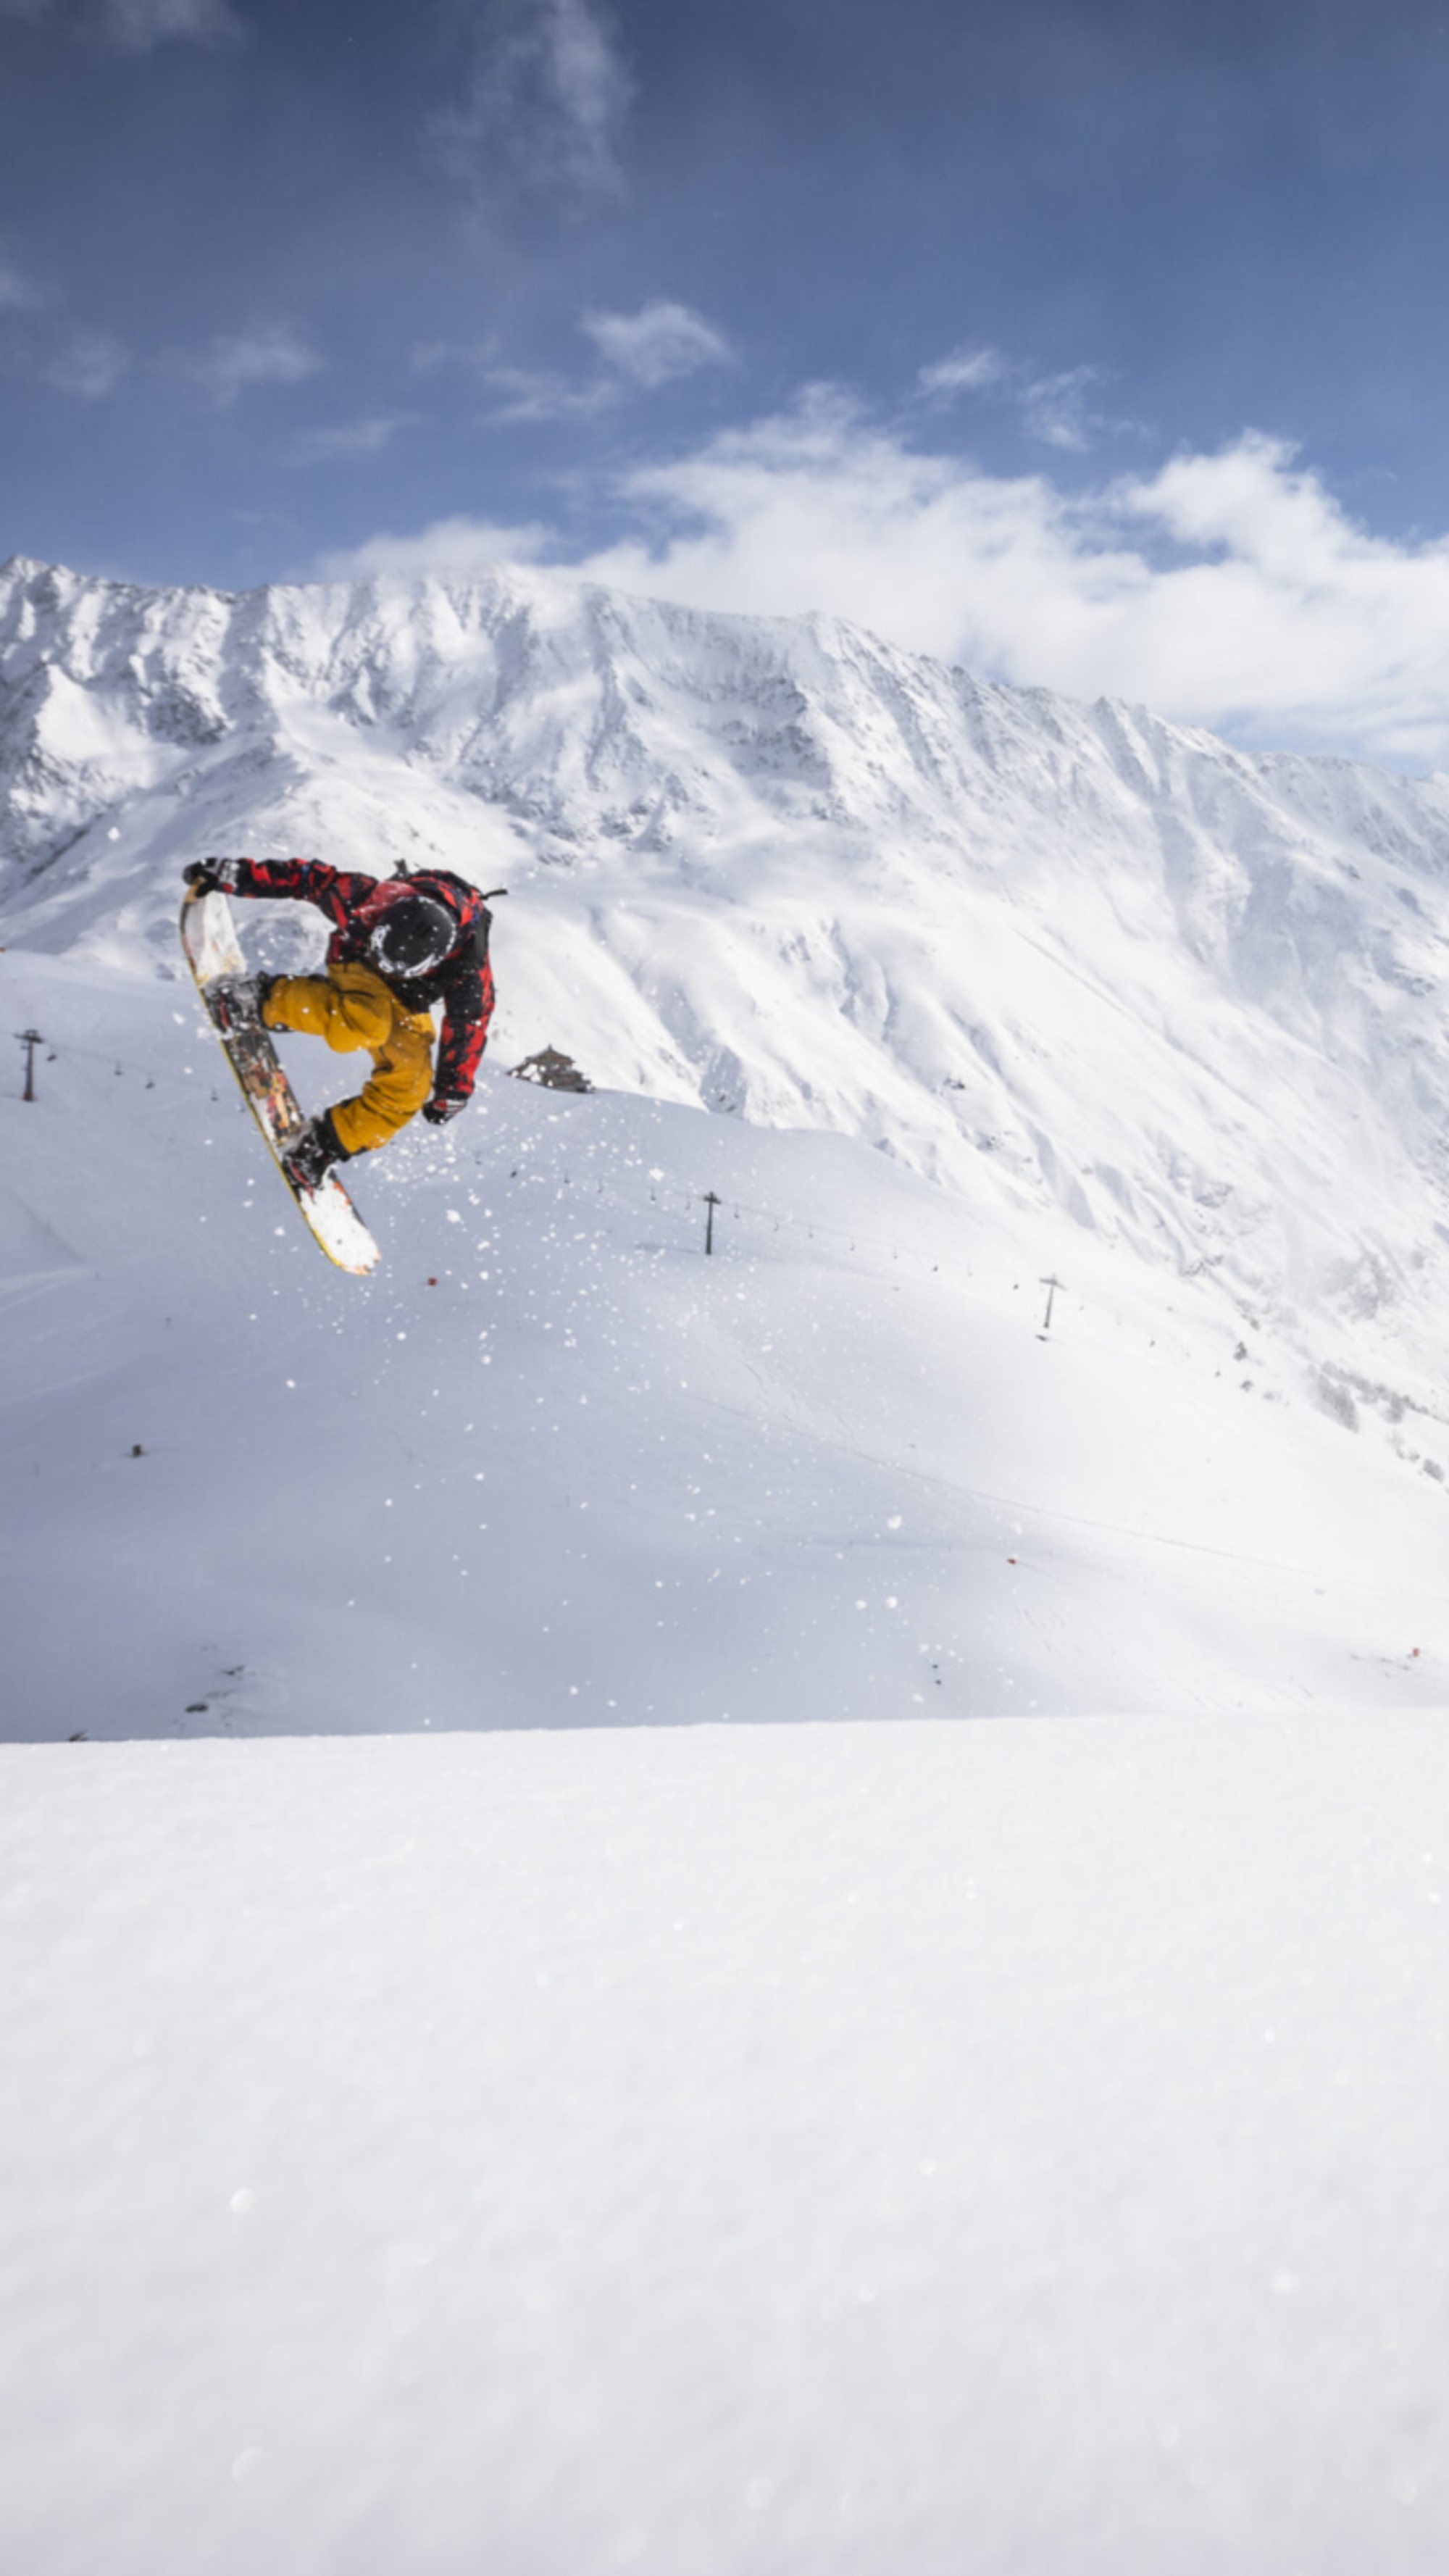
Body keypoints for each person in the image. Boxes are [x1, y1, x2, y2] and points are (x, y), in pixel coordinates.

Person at [184, 855, 501, 1190]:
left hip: (407, 996)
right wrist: (234, 875)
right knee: (364, 1023)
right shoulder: (373, 899)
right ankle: (255, 1001)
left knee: (411, 1086)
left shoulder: (468, 968)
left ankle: (320, 1147)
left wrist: (453, 1088)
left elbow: (470, 1024)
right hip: (357, 960)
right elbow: (306, 879)